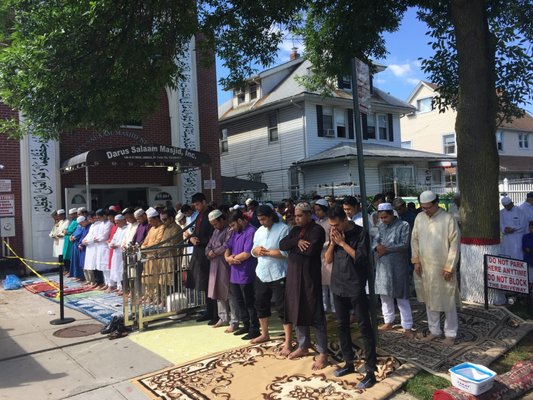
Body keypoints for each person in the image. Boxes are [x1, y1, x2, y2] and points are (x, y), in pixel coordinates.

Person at [325, 205, 377, 389]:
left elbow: (361, 259)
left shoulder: (361, 233)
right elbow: (328, 259)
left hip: (355, 285)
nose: (334, 228)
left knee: (364, 326)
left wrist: (342, 244)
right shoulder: (333, 235)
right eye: (331, 225)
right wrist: (332, 243)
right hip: (337, 284)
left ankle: (371, 371)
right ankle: (349, 362)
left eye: (337, 224)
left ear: (345, 219)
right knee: (342, 325)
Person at [279, 202, 328, 371]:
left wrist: (294, 246)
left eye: (300, 216)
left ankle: (322, 352)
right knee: (297, 311)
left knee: (315, 313)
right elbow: (282, 245)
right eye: (295, 216)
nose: (297, 219)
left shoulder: (317, 230)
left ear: (308, 214)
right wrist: (297, 241)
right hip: (293, 278)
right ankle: (303, 345)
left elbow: (310, 250)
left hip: (309, 279)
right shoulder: (294, 231)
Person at [411, 190, 460, 347]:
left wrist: (449, 267)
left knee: (448, 300)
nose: (425, 210)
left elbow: (455, 244)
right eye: (423, 207)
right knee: (429, 299)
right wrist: (416, 261)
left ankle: (450, 334)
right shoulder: (419, 218)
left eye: (428, 207)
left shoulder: (448, 219)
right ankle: (434, 331)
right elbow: (414, 239)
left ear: (436, 203)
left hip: (443, 268)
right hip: (425, 267)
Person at [250, 205, 292, 353]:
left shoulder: (283, 229)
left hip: (279, 272)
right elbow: (254, 249)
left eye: (263, 219)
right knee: (260, 303)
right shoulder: (259, 231)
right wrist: (256, 251)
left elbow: (286, 253)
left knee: (282, 307)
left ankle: (288, 340)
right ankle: (265, 334)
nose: (261, 222)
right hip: (262, 272)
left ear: (271, 216)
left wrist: (266, 252)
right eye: (259, 220)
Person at [373, 203, 414, 338]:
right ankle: (388, 321)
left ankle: (407, 326)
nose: (383, 220)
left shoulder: (404, 225)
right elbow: (375, 241)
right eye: (381, 217)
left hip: (398, 266)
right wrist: (377, 247)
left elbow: (404, 244)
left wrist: (386, 249)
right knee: (385, 296)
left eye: (385, 217)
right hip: (383, 266)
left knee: (401, 296)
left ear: (392, 214)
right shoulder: (380, 226)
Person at [225, 209, 260, 340]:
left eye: (233, 225)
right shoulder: (235, 232)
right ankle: (245, 325)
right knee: (239, 302)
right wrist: (227, 257)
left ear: (240, 221)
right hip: (234, 272)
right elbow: (228, 246)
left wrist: (232, 259)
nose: (232, 228)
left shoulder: (251, 231)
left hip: (246, 272)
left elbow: (247, 253)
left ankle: (254, 328)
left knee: (249, 302)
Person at [187, 193, 216, 323]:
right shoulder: (199, 215)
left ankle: (216, 313)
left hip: (208, 253)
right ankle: (209, 311)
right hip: (199, 253)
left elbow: (213, 236)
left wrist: (198, 241)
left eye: (198, 204)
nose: (196, 207)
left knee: (211, 284)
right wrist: (191, 238)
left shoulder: (211, 215)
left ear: (204, 202)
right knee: (204, 285)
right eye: (195, 205)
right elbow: (195, 232)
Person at [205, 210, 234, 328]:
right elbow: (208, 245)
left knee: (228, 291)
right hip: (214, 264)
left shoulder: (229, 230)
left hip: (224, 264)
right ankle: (223, 317)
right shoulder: (215, 231)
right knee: (217, 291)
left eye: (215, 223)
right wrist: (209, 252)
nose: (214, 226)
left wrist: (214, 252)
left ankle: (234, 319)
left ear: (222, 219)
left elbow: (227, 245)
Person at [140, 207, 166, 303]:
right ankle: (148, 295)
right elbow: (145, 241)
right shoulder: (151, 229)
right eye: (148, 221)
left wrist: (146, 248)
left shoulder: (162, 227)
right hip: (148, 256)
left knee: (155, 278)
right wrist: (143, 247)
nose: (149, 223)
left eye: (151, 220)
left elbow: (158, 242)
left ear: (156, 219)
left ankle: (156, 297)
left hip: (155, 257)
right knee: (146, 278)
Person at [314, 199, 335, 314]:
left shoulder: (330, 222)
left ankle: (334, 309)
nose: (317, 212)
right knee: (321, 285)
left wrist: (322, 245)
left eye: (319, 210)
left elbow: (332, 239)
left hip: (329, 253)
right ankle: (324, 308)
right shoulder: (316, 223)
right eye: (315, 210)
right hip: (318, 256)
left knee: (331, 284)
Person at [500, 196, 528, 260]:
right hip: (507, 238)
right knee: (507, 252)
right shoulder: (501, 212)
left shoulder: (520, 210)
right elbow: (501, 224)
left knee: (518, 253)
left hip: (518, 236)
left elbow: (524, 224)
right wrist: (505, 229)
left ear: (512, 203)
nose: (507, 207)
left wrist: (513, 229)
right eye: (505, 206)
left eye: (508, 205)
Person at [108, 214, 127, 293]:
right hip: (116, 252)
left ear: (123, 221)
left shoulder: (127, 229)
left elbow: (124, 241)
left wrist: (117, 245)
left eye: (118, 222)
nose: (117, 224)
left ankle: (123, 287)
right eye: (116, 223)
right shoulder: (118, 229)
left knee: (121, 269)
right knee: (116, 269)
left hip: (122, 252)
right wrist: (111, 244)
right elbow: (114, 239)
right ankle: (119, 286)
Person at [61, 208, 79, 275]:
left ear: (75, 214)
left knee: (71, 257)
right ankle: (68, 270)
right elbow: (68, 229)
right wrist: (66, 230)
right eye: (70, 215)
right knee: (66, 256)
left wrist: (67, 231)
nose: (70, 216)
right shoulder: (73, 222)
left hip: (71, 241)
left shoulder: (77, 221)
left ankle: (71, 271)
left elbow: (73, 230)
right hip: (67, 240)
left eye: (72, 215)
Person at [522, 221, 533, 291]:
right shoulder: (525, 236)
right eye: (531, 228)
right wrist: (526, 249)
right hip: (528, 258)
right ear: (529, 228)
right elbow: (523, 247)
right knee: (529, 275)